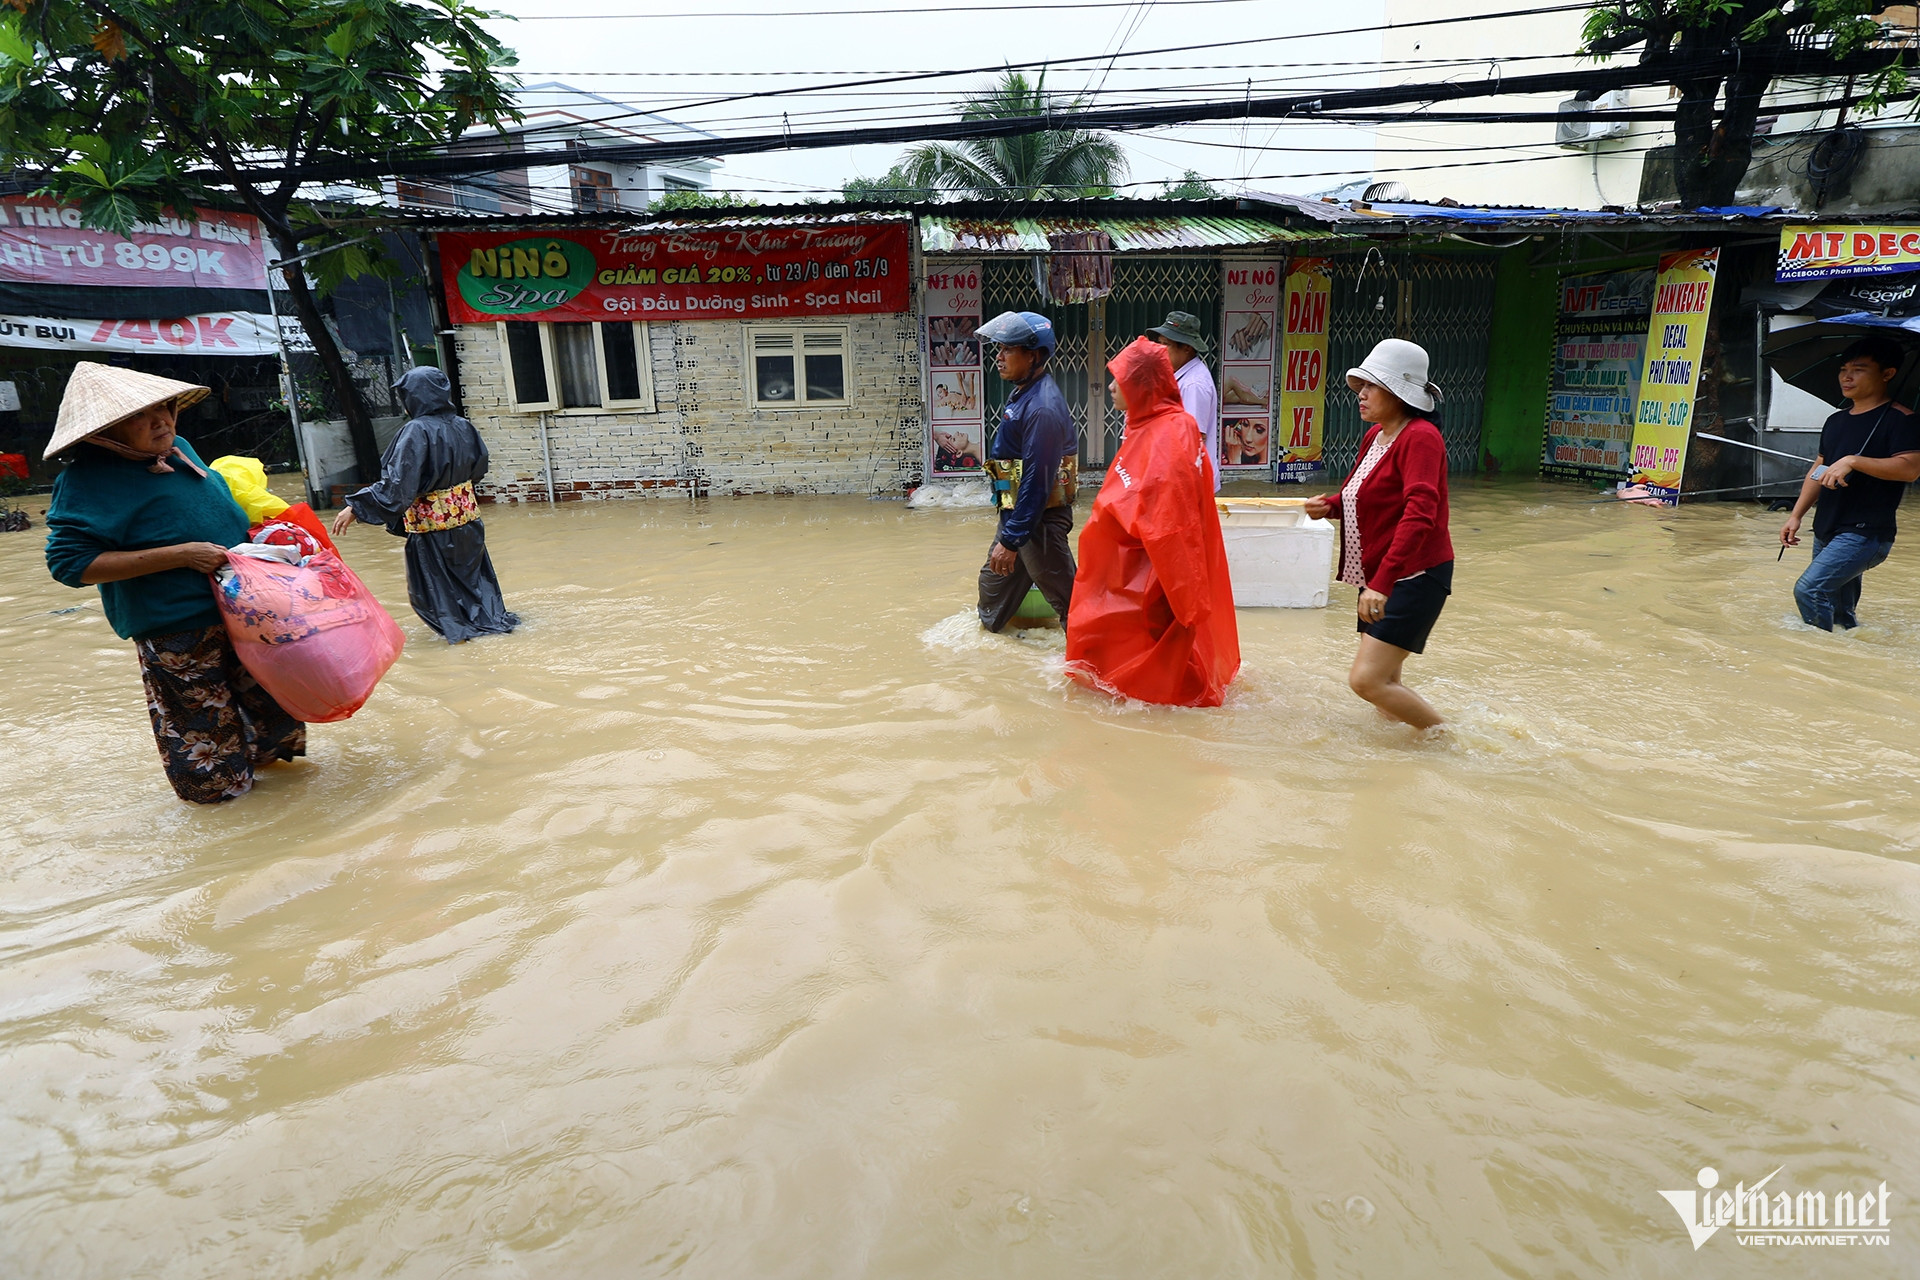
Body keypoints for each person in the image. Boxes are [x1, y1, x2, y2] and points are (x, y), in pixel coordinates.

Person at [42, 362, 306, 803]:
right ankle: (229, 821)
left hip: (244, 609)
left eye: (164, 407)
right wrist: (181, 556)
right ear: (105, 431)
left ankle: (281, 804)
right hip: (176, 628)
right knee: (205, 738)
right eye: (139, 417)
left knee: (276, 711)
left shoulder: (179, 448)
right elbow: (70, 564)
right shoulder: (86, 480)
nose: (161, 420)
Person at [1066, 337, 1239, 706]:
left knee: (1156, 661)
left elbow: (1174, 525)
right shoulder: (1151, 425)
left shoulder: (1169, 434)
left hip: (1146, 576)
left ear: (1142, 385)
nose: (1111, 387)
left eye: (1121, 379)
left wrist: (1187, 598)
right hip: (1126, 570)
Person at [1303, 339, 1454, 729]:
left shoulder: (1420, 437)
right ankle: (1398, 760)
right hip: (1382, 573)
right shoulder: (1376, 437)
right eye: (1362, 385)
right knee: (1386, 682)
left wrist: (1382, 584)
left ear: (1399, 393)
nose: (1361, 394)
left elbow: (1421, 513)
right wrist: (1331, 506)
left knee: (1366, 680)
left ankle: (1449, 743)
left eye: (1372, 386)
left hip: (1413, 575)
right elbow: (1366, 494)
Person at [332, 367, 519, 644]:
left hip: (433, 528)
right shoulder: (462, 425)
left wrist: (357, 507)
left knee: (435, 594)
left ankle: (463, 642)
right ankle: (486, 630)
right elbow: (478, 468)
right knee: (473, 585)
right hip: (468, 522)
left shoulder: (416, 431)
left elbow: (398, 486)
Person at [1779, 334, 1920, 631]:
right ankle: (1843, 658)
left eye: (1859, 369)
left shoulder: (1902, 420)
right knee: (1841, 617)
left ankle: (1816, 656)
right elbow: (1818, 470)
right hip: (1827, 527)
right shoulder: (1836, 421)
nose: (1847, 376)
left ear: (1888, 373)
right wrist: (1796, 515)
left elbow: (1909, 470)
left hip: (1865, 534)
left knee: (1809, 590)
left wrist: (1853, 461)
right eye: (1843, 369)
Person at [974, 310, 1079, 632]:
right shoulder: (1025, 392)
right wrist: (1011, 532)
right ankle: (993, 650)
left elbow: (1038, 479)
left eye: (1008, 349)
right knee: (992, 586)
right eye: (998, 348)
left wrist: (1012, 539)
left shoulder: (1042, 408)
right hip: (1018, 514)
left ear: (1032, 355)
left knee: (1069, 601)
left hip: (1037, 522)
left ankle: (1092, 663)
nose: (999, 356)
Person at [1147, 310, 1221, 490]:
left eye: (1167, 345)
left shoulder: (1193, 384)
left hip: (1190, 483)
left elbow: (1192, 440)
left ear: (1187, 347)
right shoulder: (1180, 376)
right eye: (1160, 343)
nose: (1160, 350)